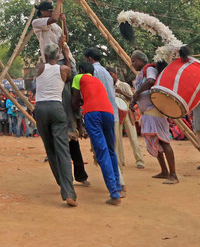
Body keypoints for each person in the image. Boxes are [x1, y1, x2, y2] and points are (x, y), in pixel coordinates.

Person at [72, 61, 124, 205]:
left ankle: (114, 194)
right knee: (111, 150)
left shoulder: (78, 78)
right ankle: (118, 187)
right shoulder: (97, 81)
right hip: (108, 112)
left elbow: (75, 102)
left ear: (81, 70)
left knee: (101, 152)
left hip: (92, 114)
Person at [34, 43, 77, 207]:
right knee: (63, 150)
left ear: (45, 55)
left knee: (50, 148)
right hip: (57, 108)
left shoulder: (39, 67)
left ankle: (61, 182)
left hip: (40, 109)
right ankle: (68, 192)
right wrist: (66, 54)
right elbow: (71, 75)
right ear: (57, 55)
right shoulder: (64, 69)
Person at [130, 51, 178, 184]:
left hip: (154, 111)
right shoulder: (140, 74)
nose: (132, 64)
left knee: (163, 141)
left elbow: (151, 81)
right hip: (147, 113)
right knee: (156, 141)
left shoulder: (149, 69)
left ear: (140, 60)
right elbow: (140, 92)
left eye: (133, 61)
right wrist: (133, 101)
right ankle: (164, 171)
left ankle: (173, 174)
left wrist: (137, 93)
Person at [111, 69, 145, 169]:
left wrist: (121, 92)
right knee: (117, 138)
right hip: (116, 113)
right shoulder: (109, 86)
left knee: (133, 136)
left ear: (116, 74)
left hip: (127, 112)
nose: (110, 76)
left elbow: (132, 97)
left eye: (112, 74)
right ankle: (120, 161)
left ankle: (139, 160)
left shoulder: (124, 85)